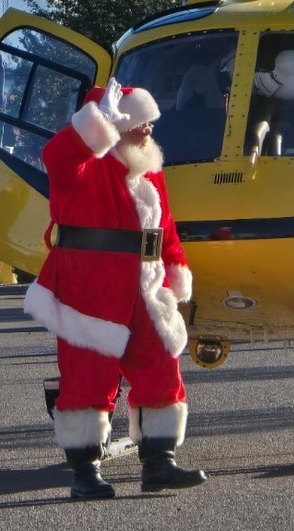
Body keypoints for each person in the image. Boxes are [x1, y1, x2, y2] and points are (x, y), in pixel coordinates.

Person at [25, 78, 207, 500]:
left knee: (161, 369)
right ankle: (85, 471)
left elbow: (164, 228)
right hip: (89, 290)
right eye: (141, 122)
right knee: (88, 378)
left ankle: (159, 462)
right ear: (116, 125)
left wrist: (176, 268)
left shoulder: (148, 168)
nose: (149, 130)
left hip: (146, 287)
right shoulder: (84, 164)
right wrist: (97, 121)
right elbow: (57, 155)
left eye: (150, 122)